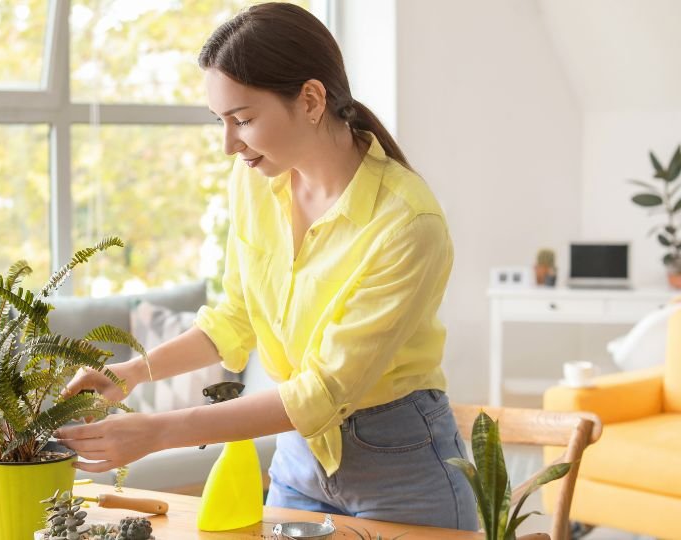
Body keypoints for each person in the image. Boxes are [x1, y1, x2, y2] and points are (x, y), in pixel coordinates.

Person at [55, 2, 478, 530]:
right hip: (298, 463)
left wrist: (157, 432)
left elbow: (320, 393)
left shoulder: (408, 223)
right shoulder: (256, 183)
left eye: (244, 120)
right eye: (221, 122)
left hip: (402, 467)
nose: (229, 145)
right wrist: (131, 373)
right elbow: (235, 317)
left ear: (310, 99)